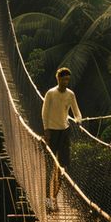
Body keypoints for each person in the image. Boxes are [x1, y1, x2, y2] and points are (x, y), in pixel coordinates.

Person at [41, 66, 82, 207]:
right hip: (52, 132)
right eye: (64, 79)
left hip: (65, 131)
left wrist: (78, 121)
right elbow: (44, 112)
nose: (66, 82)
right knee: (50, 166)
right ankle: (47, 200)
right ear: (58, 79)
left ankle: (54, 198)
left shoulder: (70, 94)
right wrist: (46, 130)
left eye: (68, 80)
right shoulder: (50, 93)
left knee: (62, 167)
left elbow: (77, 112)